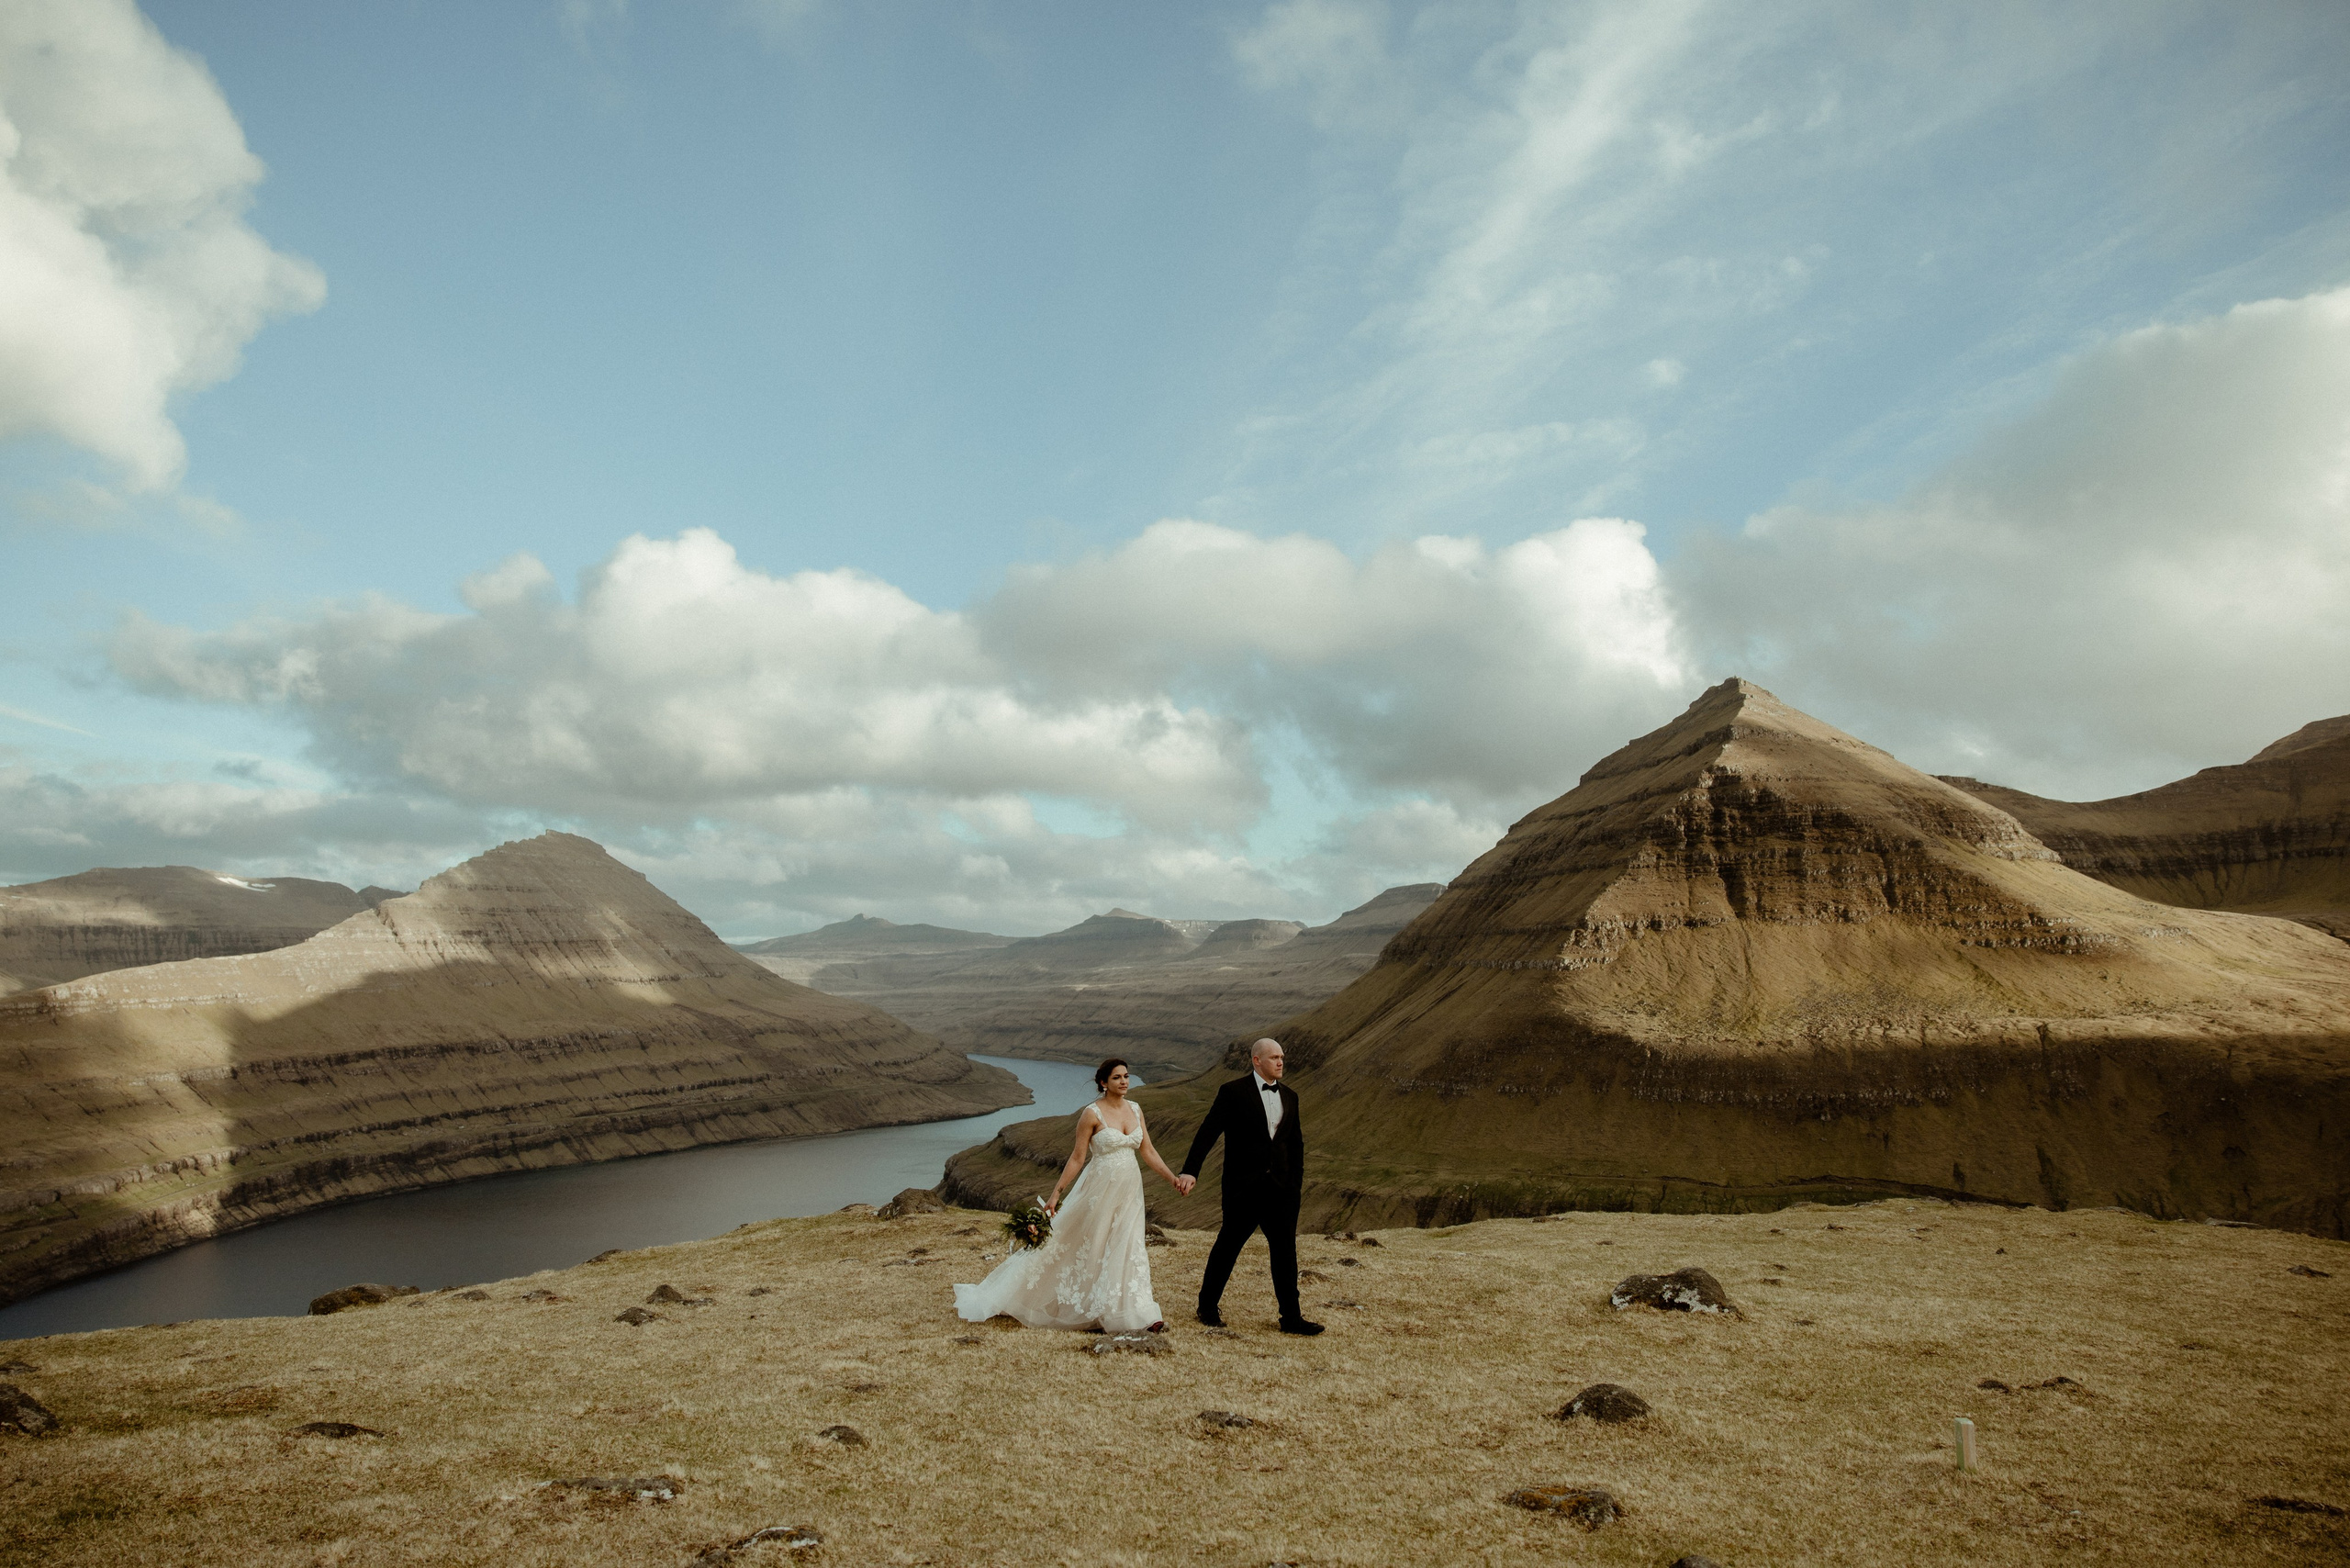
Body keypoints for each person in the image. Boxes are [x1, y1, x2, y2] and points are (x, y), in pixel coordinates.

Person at [953, 1058, 1184, 1332]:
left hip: (1130, 1189)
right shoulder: (1091, 1114)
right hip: (1099, 1189)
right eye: (1117, 1078)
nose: (1124, 1082)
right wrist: (1056, 1193)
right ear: (1103, 1083)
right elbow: (1077, 1158)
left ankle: (1136, 1312)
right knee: (1092, 1242)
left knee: (1129, 1244)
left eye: (1126, 1076)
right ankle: (1031, 1297)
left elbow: (1148, 1151)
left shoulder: (1136, 1109)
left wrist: (1173, 1178)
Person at [1178, 1037, 1323, 1336]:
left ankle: (1291, 1318)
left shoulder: (1292, 1097)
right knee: (1227, 1247)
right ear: (1257, 1060)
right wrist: (1191, 1170)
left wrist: (1294, 1188)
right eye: (1274, 1058)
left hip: (1281, 1191)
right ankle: (1207, 1307)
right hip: (1242, 1189)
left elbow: (1296, 1146)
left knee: (1285, 1253)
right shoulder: (1232, 1092)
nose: (1280, 1062)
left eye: (1282, 1057)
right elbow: (1208, 1132)